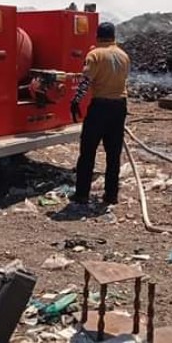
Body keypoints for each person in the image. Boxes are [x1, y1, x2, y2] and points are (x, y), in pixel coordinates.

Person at [69, 22, 130, 206]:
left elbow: (86, 81)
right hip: (119, 107)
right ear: (113, 37)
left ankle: (81, 195)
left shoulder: (95, 55)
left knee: (88, 152)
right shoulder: (124, 56)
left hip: (100, 107)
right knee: (113, 154)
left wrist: (75, 101)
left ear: (97, 36)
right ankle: (111, 195)